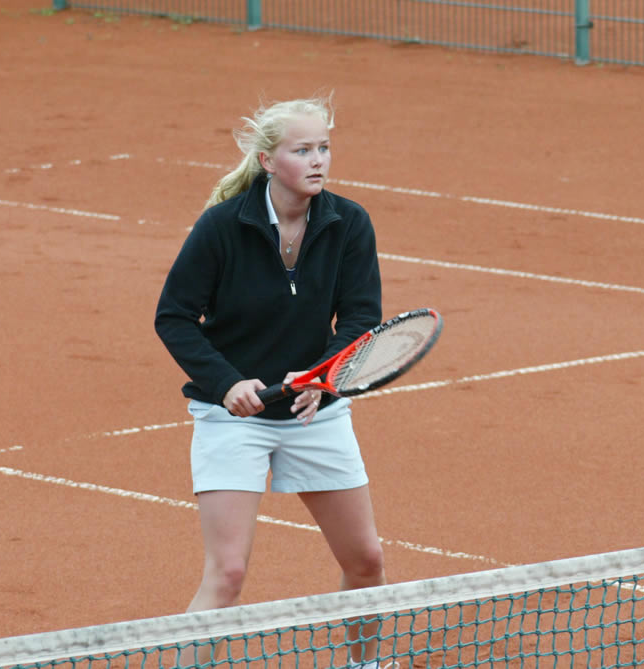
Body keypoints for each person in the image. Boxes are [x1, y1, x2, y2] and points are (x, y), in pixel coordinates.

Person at [154, 95, 393, 669]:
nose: (318, 160)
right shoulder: (221, 228)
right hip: (233, 419)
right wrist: (225, 383)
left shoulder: (349, 223)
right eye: (302, 149)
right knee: (228, 573)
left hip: (315, 413)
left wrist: (323, 378)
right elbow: (174, 316)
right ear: (268, 161)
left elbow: (360, 318)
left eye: (324, 147)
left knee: (366, 560)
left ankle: (364, 666)